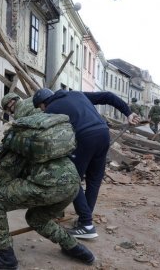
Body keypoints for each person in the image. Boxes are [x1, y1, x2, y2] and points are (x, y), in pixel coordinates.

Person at [0, 119, 95, 269]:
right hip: (73, 185)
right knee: (36, 219)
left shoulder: (6, 161)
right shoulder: (25, 152)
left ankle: (5, 257)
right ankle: (76, 249)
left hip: (50, 186)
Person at [33, 88, 140, 239]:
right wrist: (128, 113)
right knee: (94, 180)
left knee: (72, 179)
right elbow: (108, 95)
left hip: (84, 137)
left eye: (40, 107)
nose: (41, 110)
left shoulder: (51, 110)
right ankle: (84, 220)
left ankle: (86, 224)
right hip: (103, 134)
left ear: (43, 103)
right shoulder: (77, 94)